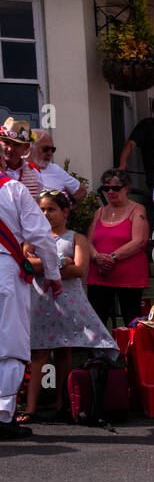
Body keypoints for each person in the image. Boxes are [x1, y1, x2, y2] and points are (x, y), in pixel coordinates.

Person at [23, 190, 117, 421]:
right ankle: (30, 408)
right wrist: (59, 262)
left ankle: (64, 403)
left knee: (64, 352)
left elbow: (80, 269)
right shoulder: (34, 238)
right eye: (42, 210)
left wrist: (45, 265)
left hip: (67, 303)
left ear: (65, 212)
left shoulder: (76, 238)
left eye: (51, 209)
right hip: (40, 303)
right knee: (39, 354)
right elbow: (26, 263)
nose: (45, 214)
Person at [0, 162, 62, 439]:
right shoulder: (13, 189)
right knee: (11, 346)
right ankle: (2, 417)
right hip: (6, 273)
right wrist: (52, 273)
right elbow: (40, 235)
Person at [85, 169, 150, 329]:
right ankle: (98, 352)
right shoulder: (99, 212)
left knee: (131, 316)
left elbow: (139, 240)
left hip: (128, 276)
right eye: (106, 189)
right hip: (100, 275)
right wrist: (97, 257)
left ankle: (132, 351)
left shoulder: (137, 209)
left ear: (126, 187)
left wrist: (112, 257)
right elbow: (89, 240)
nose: (110, 192)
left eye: (116, 188)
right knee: (98, 316)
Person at [29, 131, 86, 204]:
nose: (50, 153)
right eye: (45, 149)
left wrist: (65, 207)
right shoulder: (18, 168)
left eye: (52, 150)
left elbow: (81, 191)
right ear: (30, 148)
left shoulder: (55, 170)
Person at [1, 119, 43, 200]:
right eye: (6, 143)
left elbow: (37, 205)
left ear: (26, 147)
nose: (10, 149)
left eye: (16, 145)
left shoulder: (34, 173)